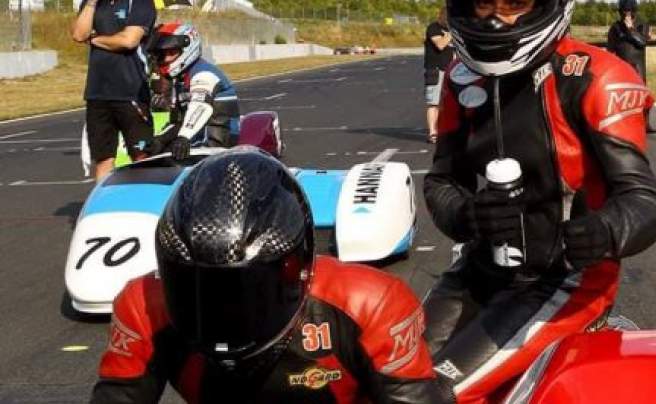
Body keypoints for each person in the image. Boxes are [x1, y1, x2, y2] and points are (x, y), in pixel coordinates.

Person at [423, 0, 656, 402]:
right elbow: (442, 181)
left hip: (565, 282)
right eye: (484, 4)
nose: (496, 19)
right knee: (386, 374)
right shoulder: (458, 77)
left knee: (429, 394)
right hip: (479, 268)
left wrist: (606, 230)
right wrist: (466, 214)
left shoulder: (599, 76)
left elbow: (646, 199)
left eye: (514, 3)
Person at [90, 148, 447, 403]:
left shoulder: (371, 302)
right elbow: (119, 396)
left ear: (298, 268)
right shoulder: (141, 304)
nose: (223, 312)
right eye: (198, 288)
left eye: (243, 291)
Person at [71, 0, 157, 180]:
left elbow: (128, 41)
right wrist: (91, 4)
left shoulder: (140, 4)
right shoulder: (91, 4)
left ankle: (142, 203)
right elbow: (79, 34)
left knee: (141, 157)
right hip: (97, 92)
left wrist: (93, 39)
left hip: (132, 91)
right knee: (103, 159)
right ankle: (104, 205)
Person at [144, 22, 240, 160]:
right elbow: (178, 122)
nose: (164, 59)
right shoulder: (180, 81)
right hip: (198, 141)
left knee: (172, 164)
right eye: (162, 54)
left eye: (171, 53)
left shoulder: (204, 74)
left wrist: (184, 137)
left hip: (219, 145)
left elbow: (200, 107)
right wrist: (159, 140)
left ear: (188, 49)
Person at [608, 0, 656, 134]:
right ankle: (620, 123)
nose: (626, 14)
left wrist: (630, 29)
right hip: (621, 65)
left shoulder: (642, 24)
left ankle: (646, 123)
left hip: (638, 65)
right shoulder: (615, 27)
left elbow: (641, 42)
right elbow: (610, 49)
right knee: (620, 96)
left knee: (643, 95)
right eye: (624, 11)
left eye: (629, 11)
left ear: (634, 11)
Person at [424, 7, 455, 144]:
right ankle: (433, 133)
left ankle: (448, 130)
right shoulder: (434, 28)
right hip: (436, 70)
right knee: (433, 102)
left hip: (451, 70)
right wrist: (452, 33)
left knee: (450, 102)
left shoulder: (452, 32)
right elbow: (440, 45)